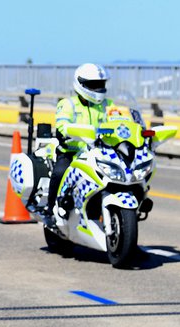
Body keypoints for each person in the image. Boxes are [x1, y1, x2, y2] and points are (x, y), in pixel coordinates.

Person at [47, 63, 115, 216]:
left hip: (101, 153)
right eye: (94, 85)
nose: (98, 89)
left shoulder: (108, 105)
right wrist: (68, 131)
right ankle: (51, 211)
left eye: (101, 84)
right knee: (60, 173)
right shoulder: (68, 104)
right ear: (81, 84)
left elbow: (120, 122)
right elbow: (62, 125)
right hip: (72, 153)